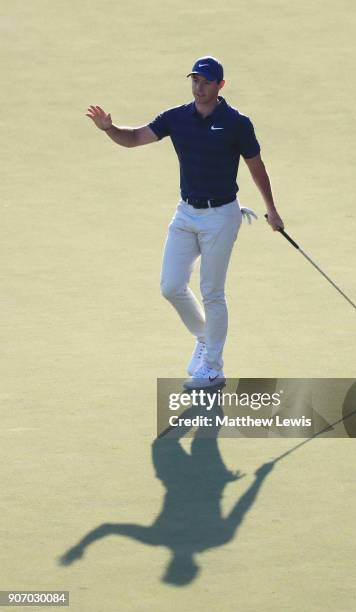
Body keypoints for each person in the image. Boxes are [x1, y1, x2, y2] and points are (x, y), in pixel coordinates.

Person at [86, 56, 284, 389]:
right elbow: (134, 138)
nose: (199, 87)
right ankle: (205, 338)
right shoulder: (176, 117)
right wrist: (109, 130)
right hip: (186, 213)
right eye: (194, 80)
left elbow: (255, 166)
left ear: (220, 85)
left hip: (222, 216)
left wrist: (272, 210)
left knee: (212, 292)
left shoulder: (237, 123)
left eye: (206, 81)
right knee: (171, 286)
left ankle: (213, 367)